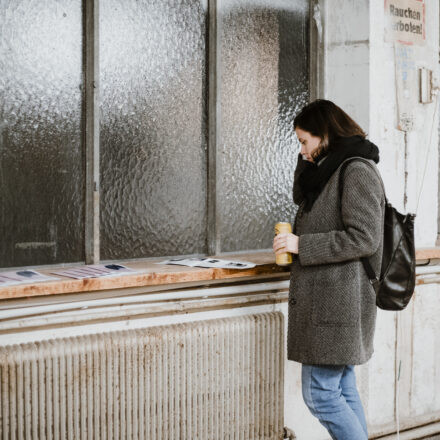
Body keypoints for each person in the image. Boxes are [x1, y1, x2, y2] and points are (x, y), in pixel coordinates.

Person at [273, 99, 386, 440]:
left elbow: (365, 238)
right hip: (332, 302)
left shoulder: (356, 170)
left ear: (325, 135)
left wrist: (301, 246)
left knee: (321, 395)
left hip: (340, 303)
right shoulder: (329, 170)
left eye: (305, 142)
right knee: (342, 388)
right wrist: (307, 160)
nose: (303, 151)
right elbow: (301, 197)